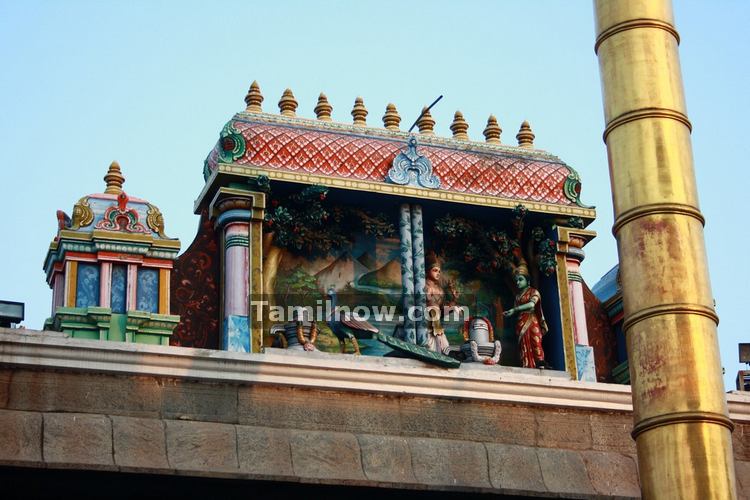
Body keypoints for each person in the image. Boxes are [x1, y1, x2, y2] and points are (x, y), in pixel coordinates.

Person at [503, 265, 549, 369]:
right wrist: (510, 312)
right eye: (517, 280)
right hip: (520, 322)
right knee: (523, 344)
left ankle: (540, 364)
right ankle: (527, 365)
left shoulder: (533, 292)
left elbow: (532, 305)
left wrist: (515, 309)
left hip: (531, 320)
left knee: (535, 341)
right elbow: (515, 309)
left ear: (528, 281)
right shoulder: (518, 296)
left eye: (520, 279)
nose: (518, 282)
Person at [423, 253, 458, 354]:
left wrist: (454, 300)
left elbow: (443, 310)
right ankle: (444, 348)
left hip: (436, 319)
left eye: (439, 271)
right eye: (435, 270)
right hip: (427, 318)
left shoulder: (440, 290)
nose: (438, 273)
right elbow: (423, 301)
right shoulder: (424, 285)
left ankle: (444, 350)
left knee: (438, 337)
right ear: (428, 271)